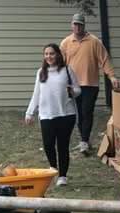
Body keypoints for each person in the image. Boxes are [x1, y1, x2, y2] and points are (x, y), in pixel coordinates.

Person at [60, 13, 119, 155]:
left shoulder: (94, 41)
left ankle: (84, 141)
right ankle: (84, 140)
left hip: (90, 84)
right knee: (78, 114)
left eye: (80, 24)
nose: (77, 27)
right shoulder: (65, 43)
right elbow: (61, 64)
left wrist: (112, 76)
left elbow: (104, 60)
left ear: (84, 25)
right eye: (75, 24)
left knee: (87, 111)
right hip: (72, 85)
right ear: (71, 25)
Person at [25, 44, 81, 187]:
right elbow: (36, 94)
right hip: (46, 115)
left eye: (52, 53)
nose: (49, 56)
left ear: (58, 55)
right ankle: (53, 168)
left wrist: (73, 91)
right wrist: (30, 112)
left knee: (62, 146)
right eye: (46, 54)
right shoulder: (41, 72)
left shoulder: (67, 70)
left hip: (66, 114)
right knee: (48, 144)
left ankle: (62, 176)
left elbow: (78, 89)